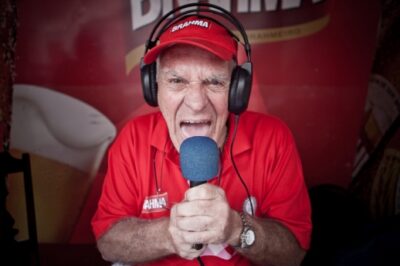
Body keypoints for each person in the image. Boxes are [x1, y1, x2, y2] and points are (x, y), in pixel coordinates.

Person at [92, 5, 311, 266]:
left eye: (215, 82)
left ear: (237, 90)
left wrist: (236, 229)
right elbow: (107, 242)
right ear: (154, 88)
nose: (196, 103)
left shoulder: (273, 138)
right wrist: (167, 235)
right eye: (176, 80)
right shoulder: (133, 139)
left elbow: (294, 254)